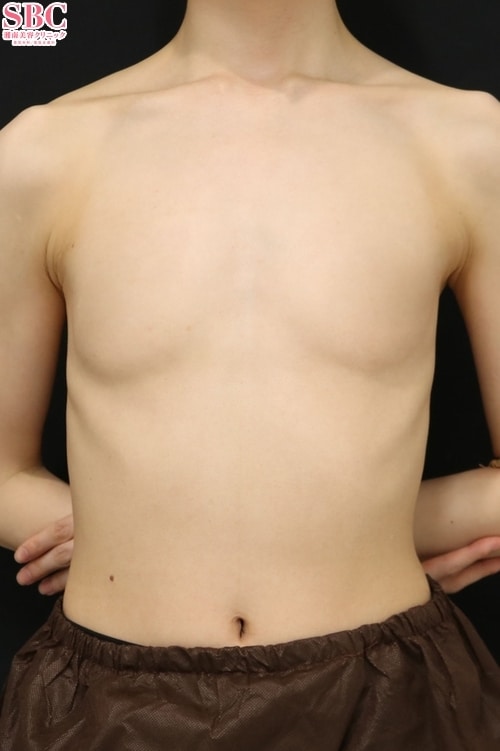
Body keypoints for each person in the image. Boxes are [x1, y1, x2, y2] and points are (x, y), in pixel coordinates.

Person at [1, 0, 500, 748]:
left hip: (390, 699)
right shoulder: (44, 151)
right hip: (103, 709)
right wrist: (132, 527)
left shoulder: (468, 142)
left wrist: (337, 529)